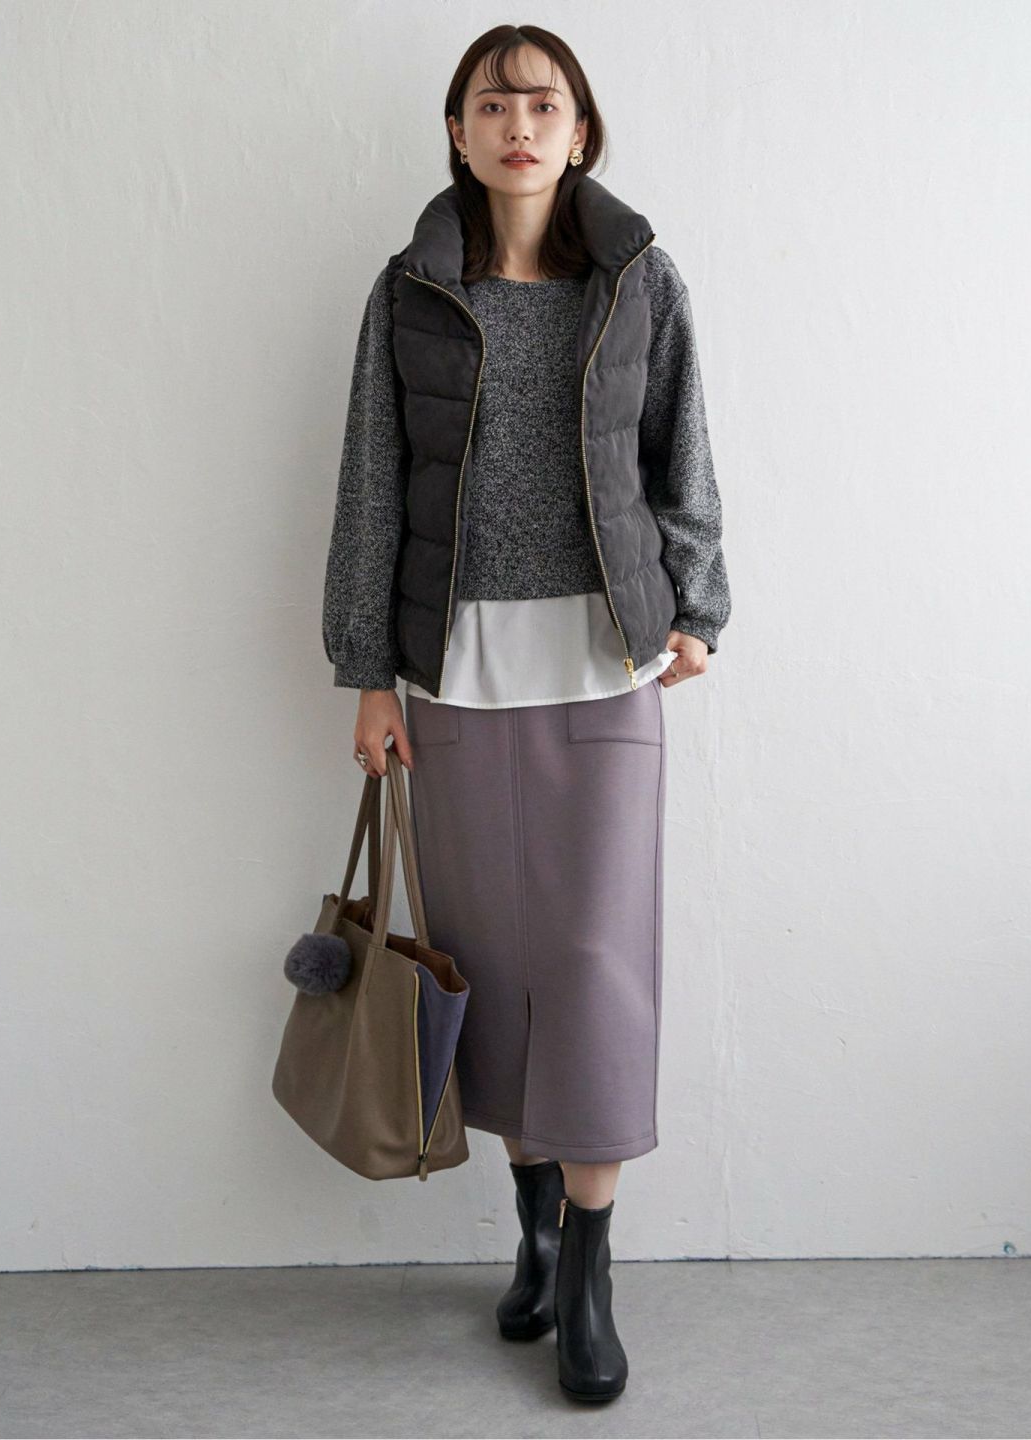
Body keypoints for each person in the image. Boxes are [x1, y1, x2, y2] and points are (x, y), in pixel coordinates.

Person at [321, 24, 732, 1404]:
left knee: (596, 965)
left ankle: (594, 1269)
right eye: (492, 104)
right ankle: (536, 1228)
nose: (519, 125)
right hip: (455, 678)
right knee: (491, 965)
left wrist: (699, 603)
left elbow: (681, 445)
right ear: (458, 131)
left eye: (543, 104)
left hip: (607, 670)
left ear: (580, 130)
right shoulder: (412, 292)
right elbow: (371, 481)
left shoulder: (637, 280)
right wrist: (367, 670)